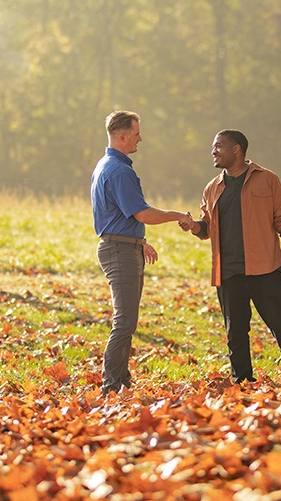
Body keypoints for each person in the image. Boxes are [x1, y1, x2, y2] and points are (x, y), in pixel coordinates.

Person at [180, 129, 281, 386]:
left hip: (266, 269)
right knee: (236, 333)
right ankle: (241, 383)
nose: (213, 151)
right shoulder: (212, 188)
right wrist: (192, 226)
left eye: (218, 146)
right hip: (228, 273)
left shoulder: (268, 180)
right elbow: (206, 227)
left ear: (236, 149)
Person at [91, 110, 193, 396]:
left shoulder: (105, 165)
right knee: (124, 321)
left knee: (128, 320)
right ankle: (111, 386)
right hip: (119, 249)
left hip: (123, 244)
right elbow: (142, 213)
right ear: (122, 137)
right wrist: (178, 216)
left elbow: (118, 214)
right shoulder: (119, 171)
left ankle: (121, 382)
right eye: (136, 134)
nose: (140, 138)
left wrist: (138, 241)